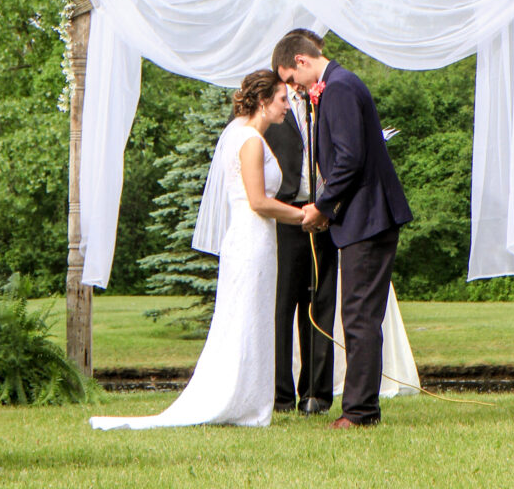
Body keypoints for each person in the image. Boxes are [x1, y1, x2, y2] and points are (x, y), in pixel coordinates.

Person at [90, 70, 304, 430]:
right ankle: (245, 404)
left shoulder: (238, 134)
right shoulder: (250, 140)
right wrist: (303, 216)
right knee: (249, 316)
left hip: (250, 239)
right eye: (283, 100)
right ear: (264, 102)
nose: (287, 107)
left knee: (248, 315)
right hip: (253, 239)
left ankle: (247, 399)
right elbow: (258, 201)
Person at [272, 32, 413, 428]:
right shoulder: (336, 87)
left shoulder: (339, 89)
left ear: (302, 61)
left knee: (359, 317)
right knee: (359, 315)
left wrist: (322, 206)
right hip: (361, 218)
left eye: (292, 79)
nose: (295, 89)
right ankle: (361, 407)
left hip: (368, 219)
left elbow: (349, 159)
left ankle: (360, 411)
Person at [265, 30, 337, 414]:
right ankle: (280, 395)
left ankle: (317, 395)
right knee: (282, 307)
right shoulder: (269, 103)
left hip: (323, 213)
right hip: (285, 213)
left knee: (320, 303)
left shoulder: (326, 95)